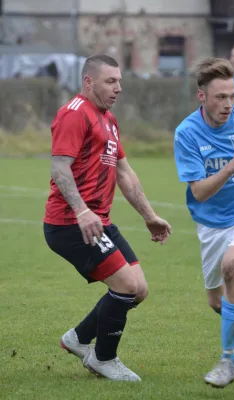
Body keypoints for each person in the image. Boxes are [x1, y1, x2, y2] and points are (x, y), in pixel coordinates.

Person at [43, 54, 171, 382]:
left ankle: (79, 339)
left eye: (120, 81)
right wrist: (82, 210)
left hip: (99, 220)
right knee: (126, 285)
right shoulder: (74, 114)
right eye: (111, 81)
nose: (119, 88)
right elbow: (59, 167)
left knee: (138, 289)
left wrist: (149, 216)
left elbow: (124, 173)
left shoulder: (109, 120)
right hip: (71, 223)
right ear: (89, 81)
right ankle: (104, 358)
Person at [173, 57, 234, 388]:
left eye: (231, 96)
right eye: (220, 97)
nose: (228, 104)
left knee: (232, 265)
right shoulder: (187, 133)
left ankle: (228, 360)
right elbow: (199, 192)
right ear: (202, 97)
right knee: (216, 300)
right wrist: (231, 165)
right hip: (211, 223)